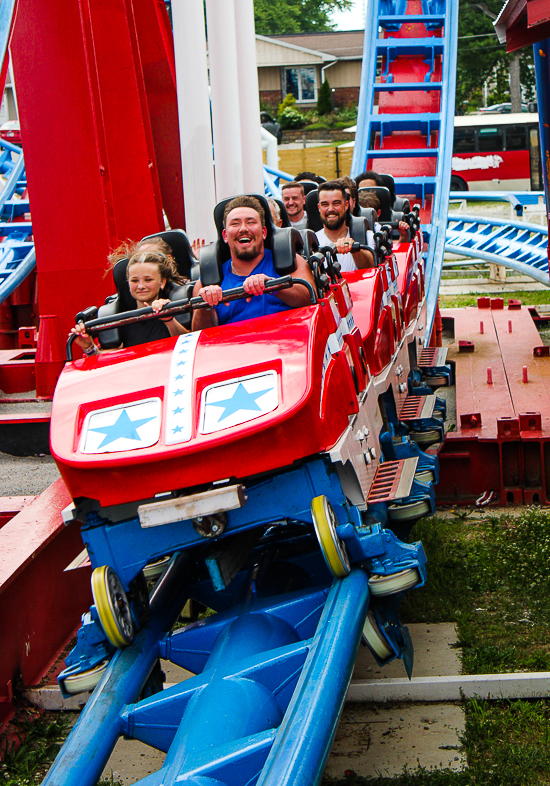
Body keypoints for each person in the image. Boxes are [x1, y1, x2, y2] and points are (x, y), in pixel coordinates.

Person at [192, 195, 314, 330]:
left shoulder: (291, 261)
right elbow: (198, 333)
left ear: (264, 232)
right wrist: (205, 306)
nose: (243, 229)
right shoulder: (208, 281)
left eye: (250, 222)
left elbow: (310, 298)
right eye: (235, 223)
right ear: (225, 236)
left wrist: (273, 286)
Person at [71, 237, 189, 355]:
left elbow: (189, 346)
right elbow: (111, 359)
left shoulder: (176, 309)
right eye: (134, 281)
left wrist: (168, 319)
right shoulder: (122, 320)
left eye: (148, 280)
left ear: (162, 282)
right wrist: (89, 347)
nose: (141, 286)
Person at [315, 181, 375, 272]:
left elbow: (372, 267)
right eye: (325, 204)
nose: (330, 209)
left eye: (336, 203)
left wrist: (355, 250)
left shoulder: (367, 236)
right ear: (319, 208)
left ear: (346, 205)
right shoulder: (312, 242)